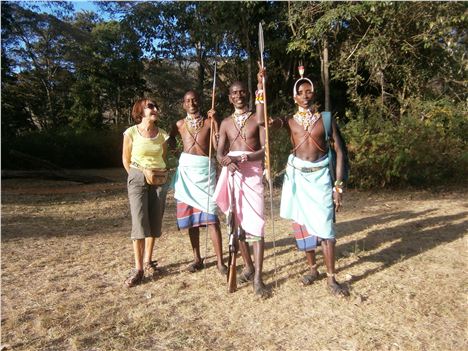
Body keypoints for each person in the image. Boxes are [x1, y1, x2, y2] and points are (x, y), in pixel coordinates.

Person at [259, 68, 349, 297]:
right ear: (294, 97)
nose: (306, 95)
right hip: (298, 179)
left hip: (321, 180)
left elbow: (339, 151)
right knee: (303, 225)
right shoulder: (289, 121)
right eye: (301, 92)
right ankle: (312, 269)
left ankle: (331, 278)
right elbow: (263, 122)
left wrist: (338, 186)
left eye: (309, 91)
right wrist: (261, 89)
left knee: (326, 227)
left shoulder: (325, 119)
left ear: (313, 94)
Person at [213, 70, 269, 297]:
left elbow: (265, 150)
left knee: (256, 225)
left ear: (248, 95)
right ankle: (249, 267)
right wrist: (226, 161)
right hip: (233, 175)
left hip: (252, 174)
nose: (238, 96)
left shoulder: (258, 119)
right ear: (229, 97)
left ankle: (258, 278)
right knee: (237, 226)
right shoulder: (225, 123)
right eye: (234, 93)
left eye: (242, 92)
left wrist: (243, 158)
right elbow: (218, 153)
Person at [168, 90, 227, 275]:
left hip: (204, 171)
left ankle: (220, 262)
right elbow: (170, 141)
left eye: (194, 99)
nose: (191, 103)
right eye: (188, 101)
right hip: (187, 173)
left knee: (211, 219)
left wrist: (215, 121)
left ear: (199, 102)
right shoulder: (179, 124)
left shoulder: (209, 122)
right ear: (183, 104)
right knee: (192, 220)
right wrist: (178, 156)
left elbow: (218, 148)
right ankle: (197, 259)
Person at [122, 98, 169, 287]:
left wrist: (155, 175)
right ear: (140, 110)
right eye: (151, 106)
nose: (155, 109)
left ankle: (149, 261)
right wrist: (139, 176)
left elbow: (163, 158)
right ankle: (138, 269)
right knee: (139, 222)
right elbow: (126, 159)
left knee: (154, 221)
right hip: (137, 178)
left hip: (159, 179)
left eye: (156, 106)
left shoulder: (163, 135)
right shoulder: (131, 132)